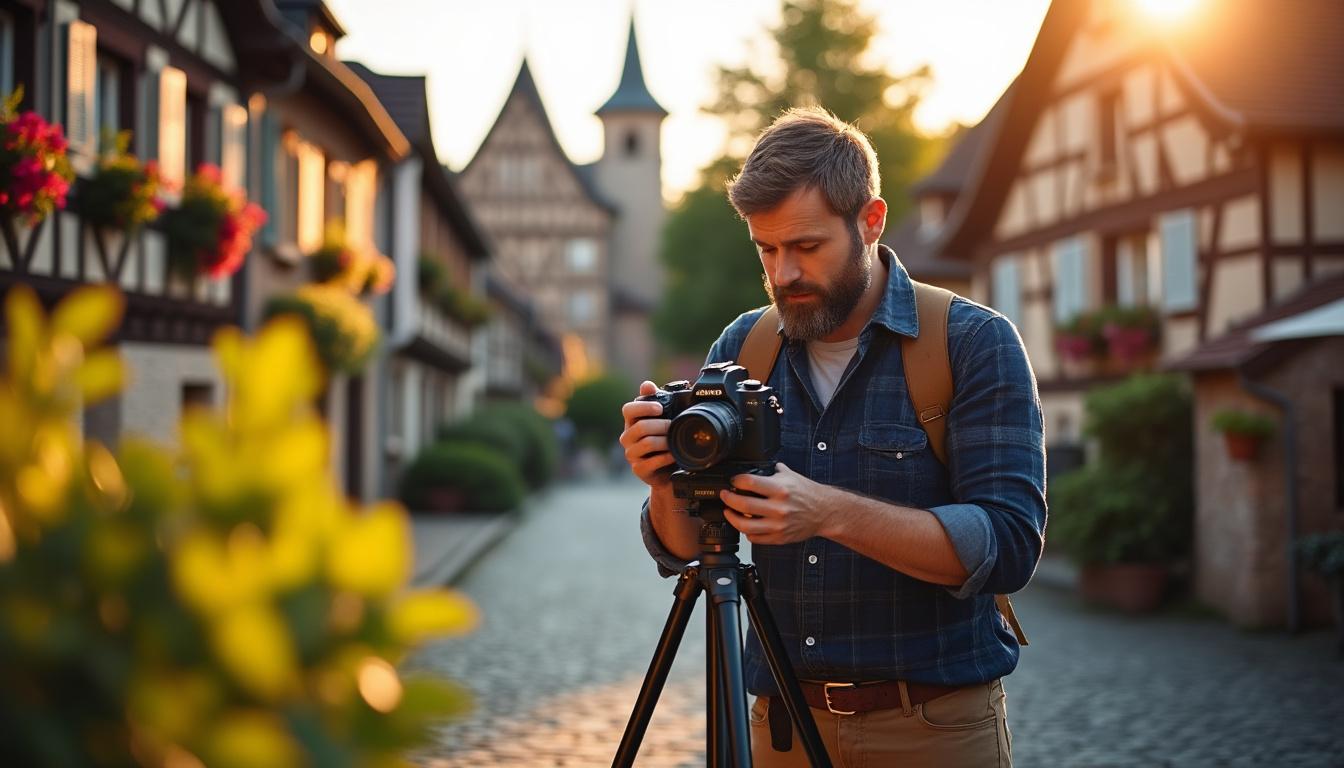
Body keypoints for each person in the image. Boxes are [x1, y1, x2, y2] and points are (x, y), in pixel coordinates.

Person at [619, 107, 1046, 768]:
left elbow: (1008, 547)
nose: (784, 272)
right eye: (767, 249)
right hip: (780, 726)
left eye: (807, 246)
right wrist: (666, 481)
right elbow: (689, 551)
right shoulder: (744, 347)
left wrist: (828, 513)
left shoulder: (972, 343)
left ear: (870, 222)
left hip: (931, 727)